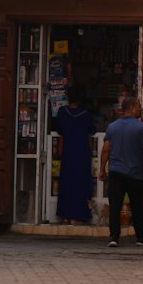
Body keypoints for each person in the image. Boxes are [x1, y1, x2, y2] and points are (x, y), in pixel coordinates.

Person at [99, 94, 143, 247]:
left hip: (116, 172)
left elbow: (106, 149)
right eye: (138, 106)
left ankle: (114, 237)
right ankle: (141, 237)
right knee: (137, 205)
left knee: (115, 206)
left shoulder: (112, 126)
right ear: (131, 108)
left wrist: (102, 169)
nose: (140, 109)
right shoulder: (141, 127)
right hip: (135, 173)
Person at [51, 86, 95, 224]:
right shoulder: (86, 114)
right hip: (82, 152)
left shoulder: (63, 112)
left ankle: (66, 215)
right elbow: (92, 130)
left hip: (68, 151)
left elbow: (58, 128)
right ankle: (78, 215)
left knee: (67, 182)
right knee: (81, 183)